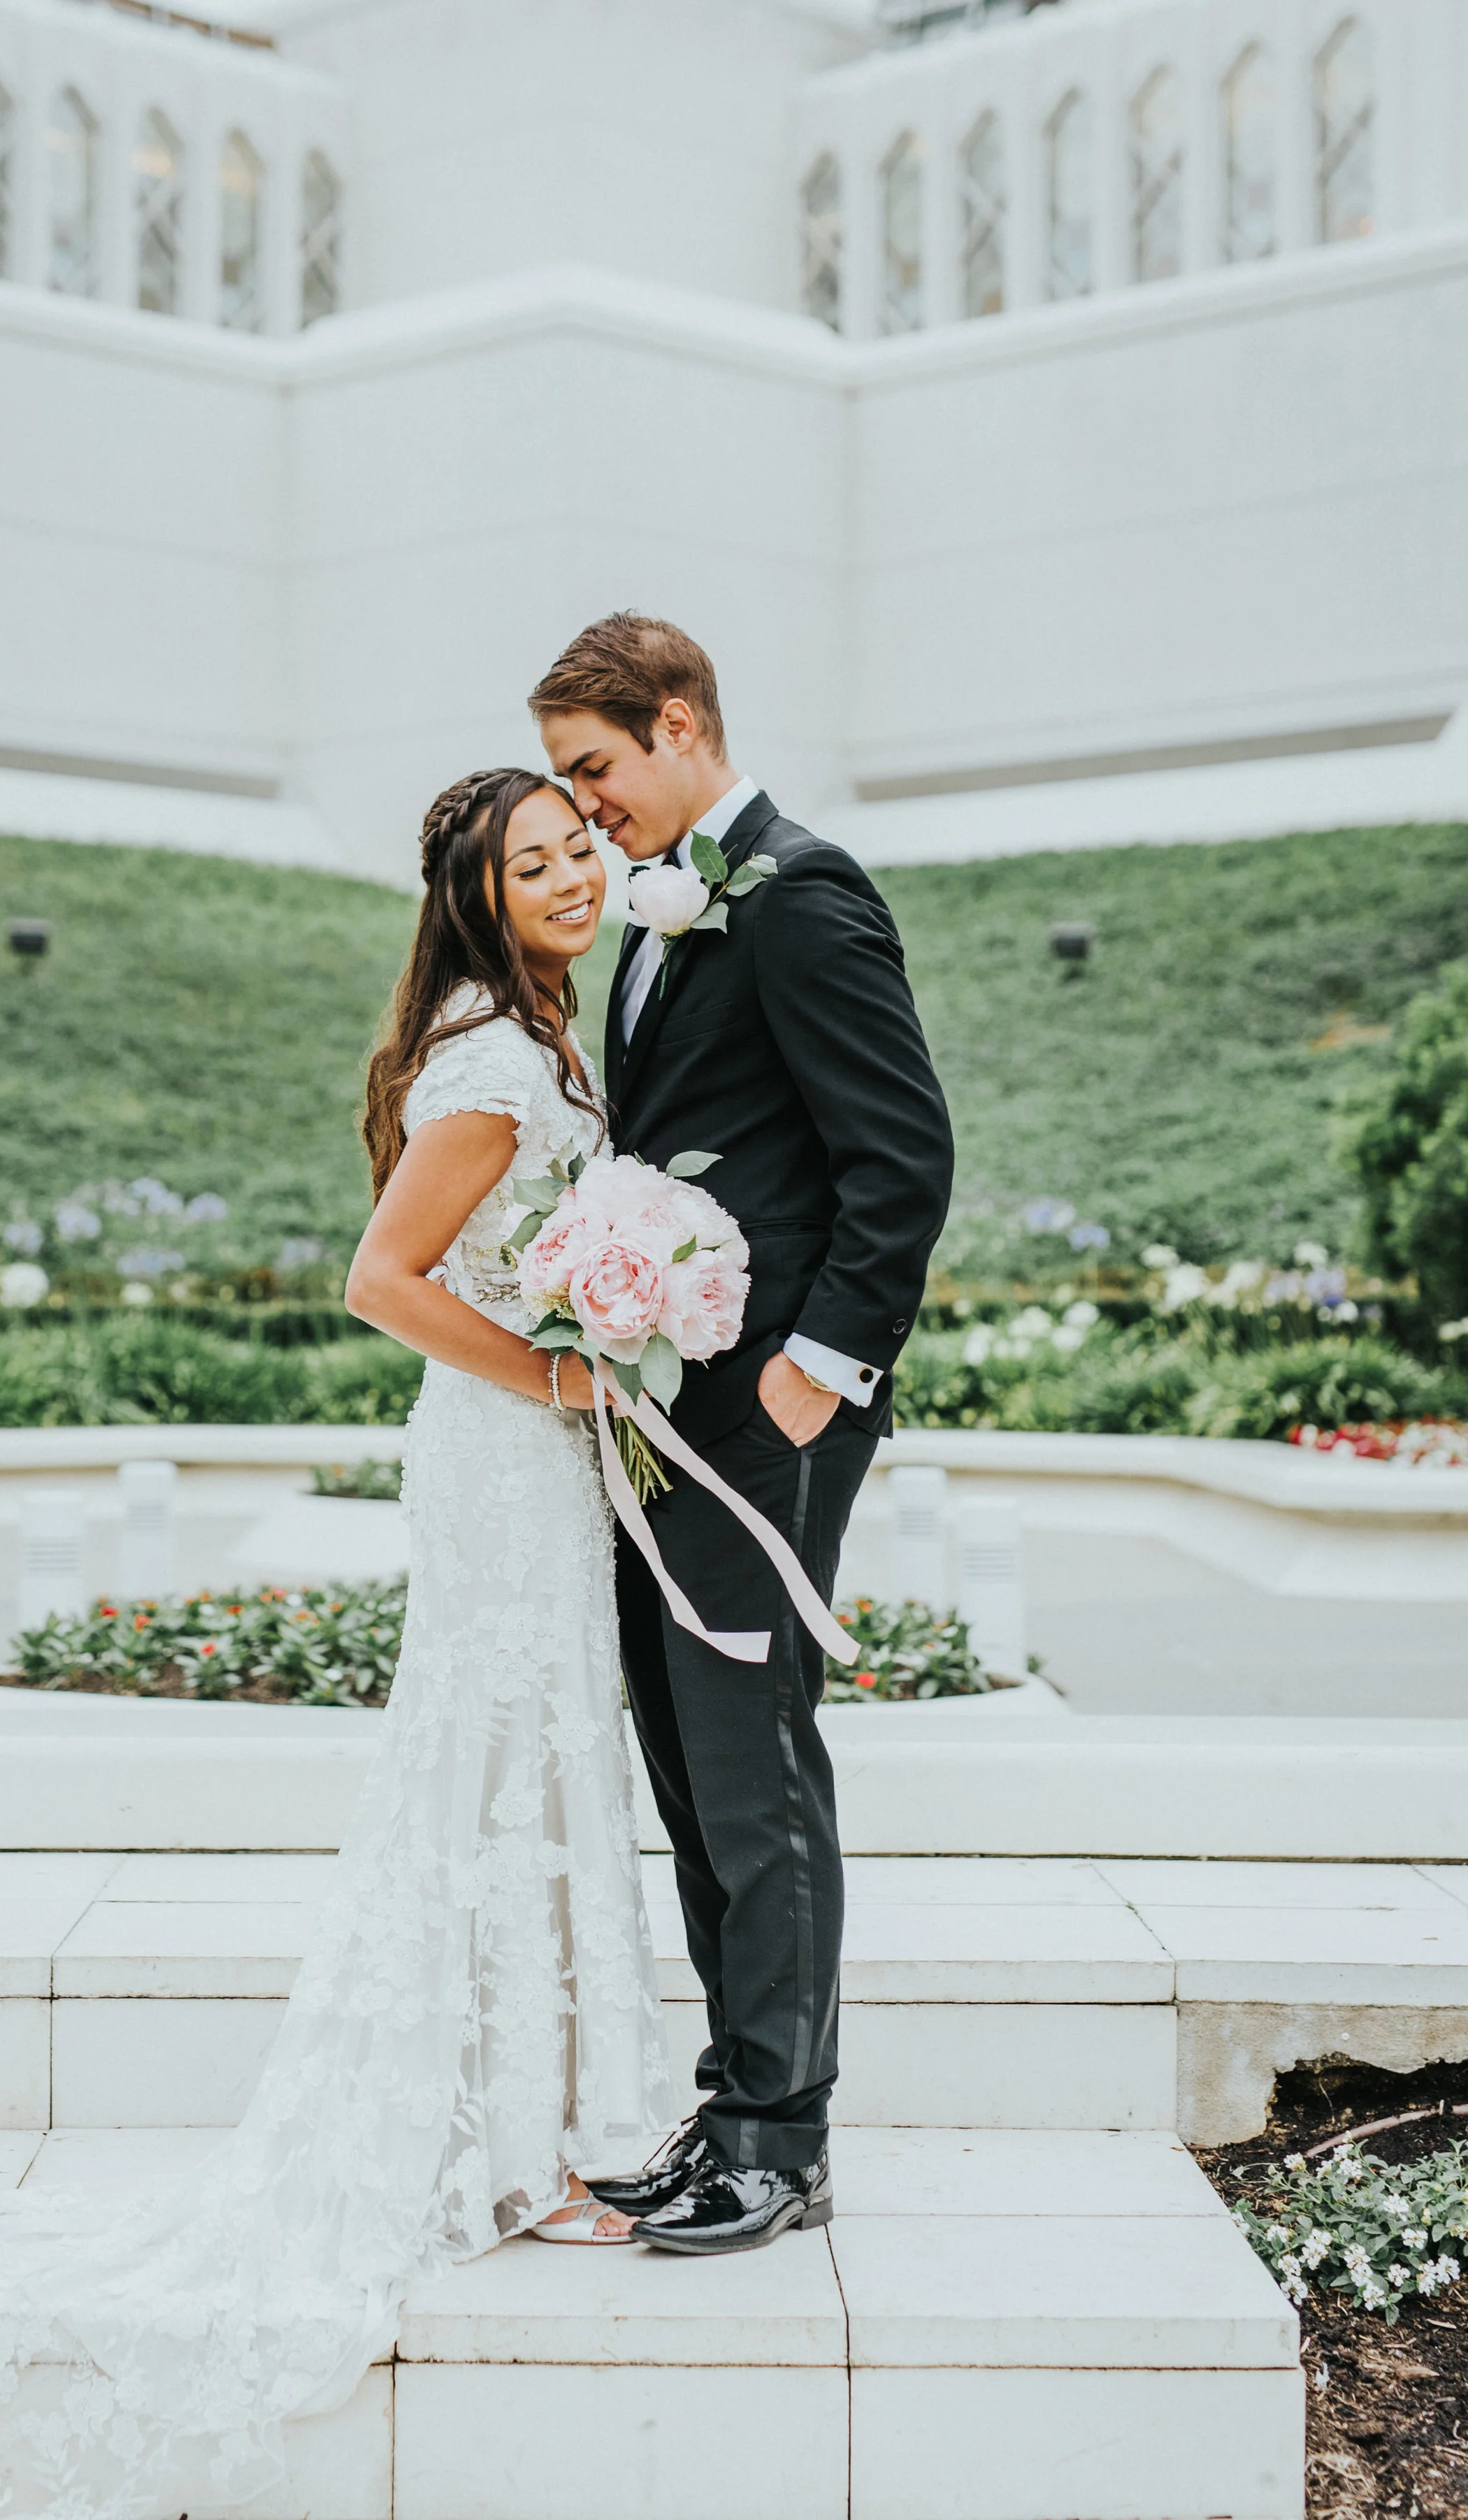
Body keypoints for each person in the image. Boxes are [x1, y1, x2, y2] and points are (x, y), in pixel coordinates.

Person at [0, 767, 675, 2520]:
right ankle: (520, 2152)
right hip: (497, 1447)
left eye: (576, 850)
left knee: (527, 1759)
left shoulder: (537, 1031)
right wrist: (554, 1365)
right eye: (528, 862)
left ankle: (536, 2130)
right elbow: (382, 1281)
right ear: (474, 895)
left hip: (529, 1450)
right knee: (498, 1758)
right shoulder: (484, 1057)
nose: (566, 876)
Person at [532, 613, 954, 2255]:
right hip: (664, 1411)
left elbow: (896, 1157)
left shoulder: (800, 891)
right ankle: (730, 2102)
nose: (585, 810)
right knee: (690, 1759)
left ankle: (784, 2133)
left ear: (681, 720)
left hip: (763, 1418)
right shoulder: (661, 912)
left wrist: (820, 1365)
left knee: (751, 1754)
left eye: (596, 770)